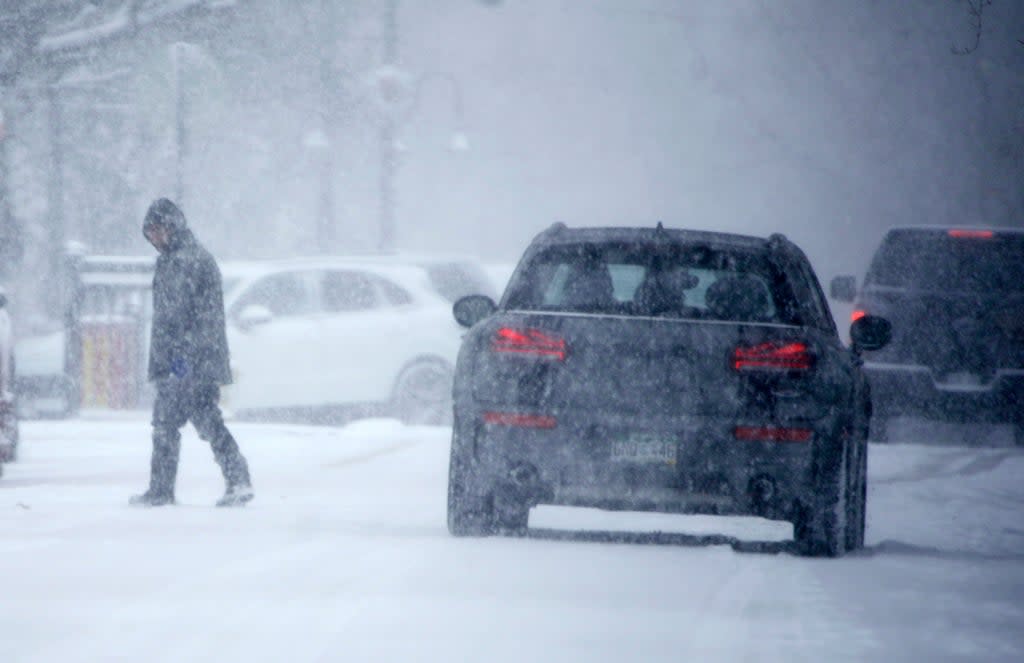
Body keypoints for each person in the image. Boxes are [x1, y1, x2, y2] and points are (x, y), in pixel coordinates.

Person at [131, 198, 253, 507]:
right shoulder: (175, 260)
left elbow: (195, 317)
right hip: (189, 359)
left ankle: (162, 490)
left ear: (172, 227)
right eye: (150, 232)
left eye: (158, 230)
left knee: (168, 423)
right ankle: (237, 479)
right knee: (203, 420)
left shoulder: (188, 261)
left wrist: (182, 359)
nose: (154, 238)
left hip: (187, 361)